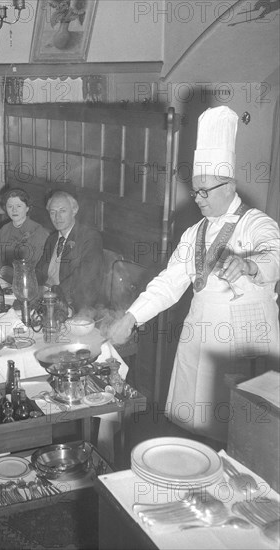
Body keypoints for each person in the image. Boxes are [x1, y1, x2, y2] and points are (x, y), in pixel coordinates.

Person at [107, 106, 280, 444]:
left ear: (229, 185)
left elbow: (274, 252)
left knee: (243, 434)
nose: (197, 198)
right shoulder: (194, 232)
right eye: (195, 190)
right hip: (198, 334)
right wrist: (131, 317)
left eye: (206, 191)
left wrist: (250, 265)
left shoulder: (256, 222)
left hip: (242, 339)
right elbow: (170, 282)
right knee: (194, 429)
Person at [35, 190, 104, 314]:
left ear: (74, 211)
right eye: (53, 212)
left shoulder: (89, 237)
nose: (57, 217)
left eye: (62, 211)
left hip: (75, 304)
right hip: (48, 300)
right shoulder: (52, 239)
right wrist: (30, 286)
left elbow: (84, 277)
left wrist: (52, 295)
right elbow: (40, 270)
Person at [0, 188, 49, 278]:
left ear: (27, 208)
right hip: (4, 278)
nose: (14, 210)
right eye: (10, 206)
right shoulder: (4, 229)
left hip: (28, 280)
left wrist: (10, 272)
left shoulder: (38, 231)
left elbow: (36, 265)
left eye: (19, 206)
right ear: (5, 208)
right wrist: (1, 269)